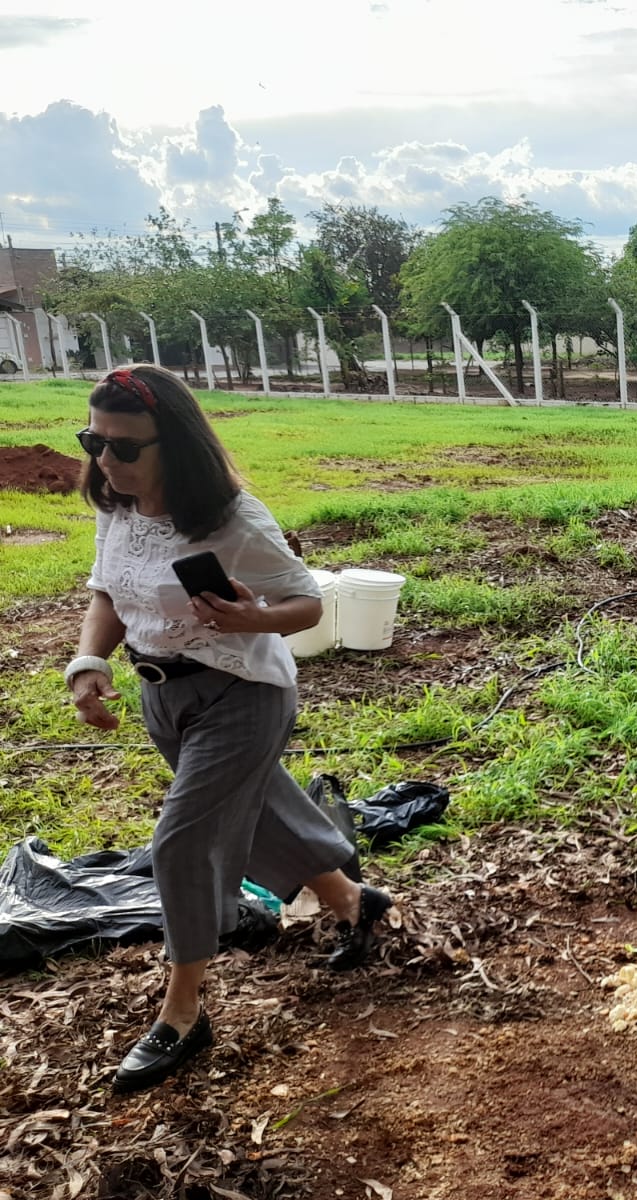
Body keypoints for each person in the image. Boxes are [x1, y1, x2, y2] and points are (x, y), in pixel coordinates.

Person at [65, 364, 393, 1095]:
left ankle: (183, 1011)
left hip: (243, 695)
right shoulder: (117, 507)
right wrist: (90, 659)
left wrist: (254, 618)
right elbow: (107, 590)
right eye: (95, 441)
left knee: (181, 839)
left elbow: (305, 605)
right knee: (266, 808)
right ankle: (351, 901)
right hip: (164, 698)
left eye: (125, 446)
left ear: (175, 444)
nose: (105, 460)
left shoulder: (232, 520)